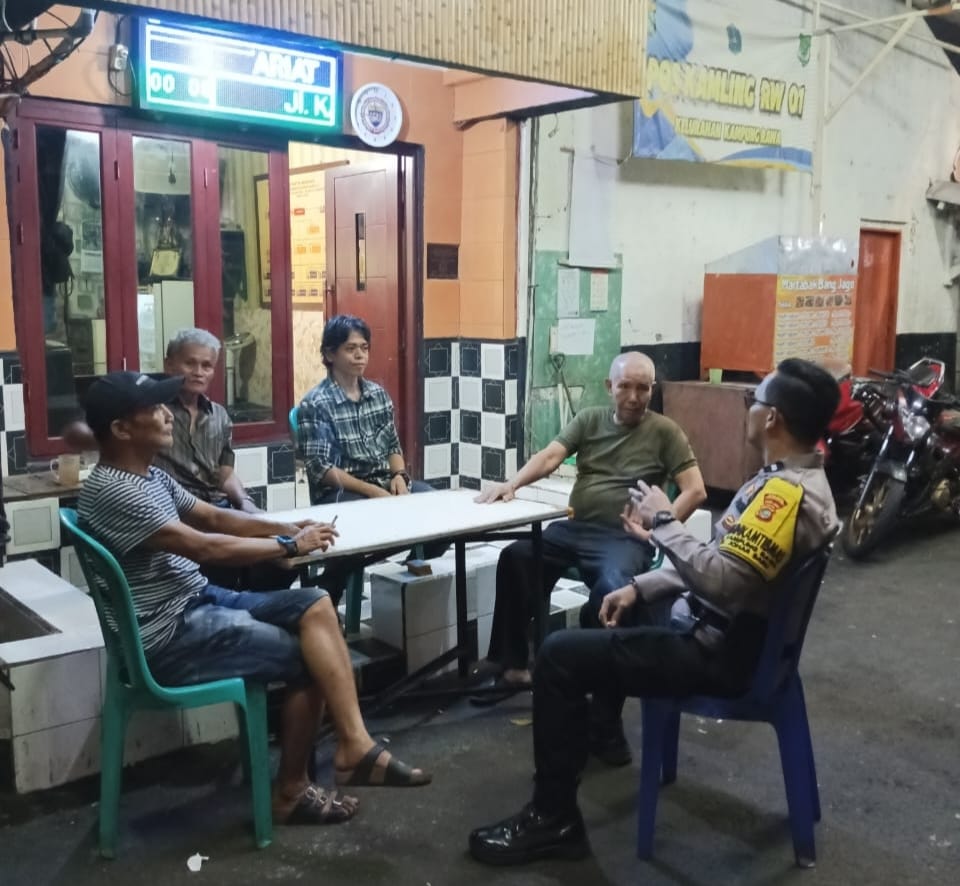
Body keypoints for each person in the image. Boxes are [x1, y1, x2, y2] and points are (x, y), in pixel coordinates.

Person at [467, 358, 840, 866]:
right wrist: (641, 588)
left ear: (772, 418)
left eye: (753, 401)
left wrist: (663, 521)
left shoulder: (782, 496)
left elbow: (723, 581)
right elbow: (723, 562)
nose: (748, 410)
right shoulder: (797, 482)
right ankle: (595, 732)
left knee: (558, 656)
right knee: (609, 608)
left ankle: (553, 817)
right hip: (731, 638)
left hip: (715, 652)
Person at [77, 371, 431, 828]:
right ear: (122, 429)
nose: (167, 415)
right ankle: (291, 791)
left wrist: (287, 526)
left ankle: (354, 744)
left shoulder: (148, 475)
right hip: (168, 637)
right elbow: (205, 546)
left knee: (314, 602)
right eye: (154, 409)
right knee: (310, 659)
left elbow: (213, 517)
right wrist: (288, 546)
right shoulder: (116, 490)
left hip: (194, 599)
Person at [471, 351, 706, 766]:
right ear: (609, 387)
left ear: (652, 390)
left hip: (622, 538)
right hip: (574, 528)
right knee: (517, 557)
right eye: (625, 386)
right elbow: (551, 456)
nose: (634, 397)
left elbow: (695, 490)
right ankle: (512, 666)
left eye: (643, 388)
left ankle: (604, 716)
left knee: (614, 591)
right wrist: (512, 484)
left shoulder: (665, 431)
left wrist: (660, 527)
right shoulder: (590, 419)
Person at [63, 328, 289, 592]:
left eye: (207, 365)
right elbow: (75, 433)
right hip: (173, 515)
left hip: (214, 510)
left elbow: (225, 472)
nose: (198, 372)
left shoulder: (219, 416)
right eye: (190, 363)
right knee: (254, 558)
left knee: (279, 562)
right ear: (169, 364)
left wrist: (245, 502)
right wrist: (125, 436)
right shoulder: (146, 411)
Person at [296, 314, 445, 602]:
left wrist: (399, 475)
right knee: (358, 526)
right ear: (330, 354)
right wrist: (373, 492)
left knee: (436, 511)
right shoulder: (315, 403)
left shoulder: (378, 395)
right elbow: (322, 469)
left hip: (382, 484)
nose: (360, 355)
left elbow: (392, 446)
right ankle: (326, 598)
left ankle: (400, 581)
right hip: (340, 492)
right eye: (351, 348)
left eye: (364, 348)